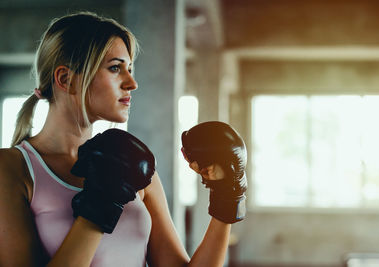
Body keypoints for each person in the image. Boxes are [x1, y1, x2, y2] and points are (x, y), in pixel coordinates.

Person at [0, 12, 247, 267]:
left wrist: (226, 201)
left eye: (129, 69)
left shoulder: (133, 165)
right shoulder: (12, 168)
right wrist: (99, 208)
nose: (132, 83)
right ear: (66, 79)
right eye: (115, 68)